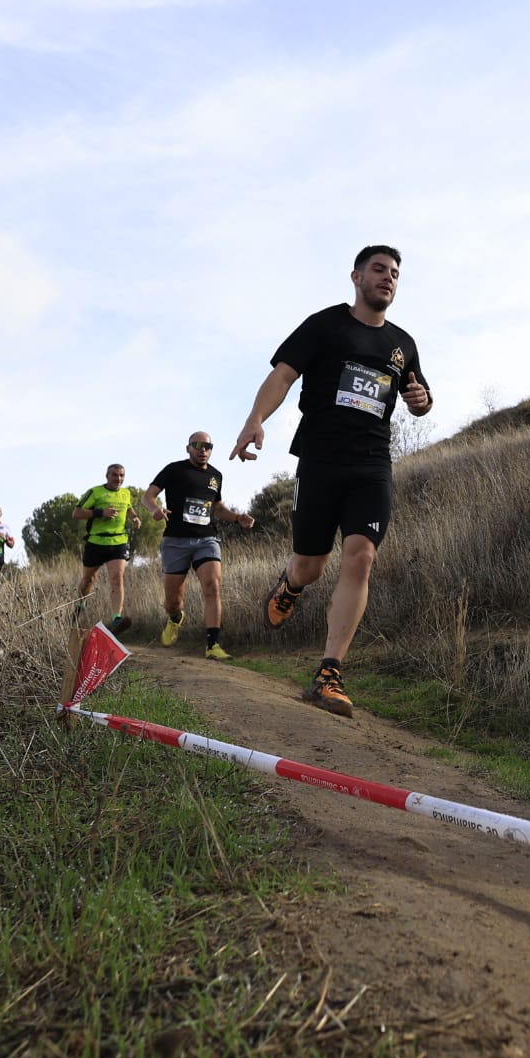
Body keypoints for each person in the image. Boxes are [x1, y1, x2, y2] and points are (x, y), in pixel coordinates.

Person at [235, 245, 432, 717]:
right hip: (321, 461)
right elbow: (282, 376)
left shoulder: (402, 344)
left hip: (372, 467)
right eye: (379, 270)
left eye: (395, 274)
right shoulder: (324, 325)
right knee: (310, 566)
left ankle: (329, 673)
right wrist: (255, 420)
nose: (388, 279)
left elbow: (418, 398)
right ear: (356, 276)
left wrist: (421, 401)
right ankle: (289, 586)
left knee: (361, 556)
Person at [146, 432, 256, 658]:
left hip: (206, 539)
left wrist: (237, 517)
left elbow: (217, 508)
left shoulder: (216, 476)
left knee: (212, 586)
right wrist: (155, 509)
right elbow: (148, 495)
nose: (202, 449)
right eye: (197, 445)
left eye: (207, 446)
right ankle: (176, 618)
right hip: (175, 541)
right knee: (172, 601)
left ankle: (212, 645)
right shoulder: (174, 469)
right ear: (188, 448)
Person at [71, 465, 139, 635]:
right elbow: (76, 513)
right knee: (88, 580)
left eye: (122, 475)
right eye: (115, 475)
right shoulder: (95, 492)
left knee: (117, 577)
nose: (118, 479)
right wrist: (101, 512)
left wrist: (135, 517)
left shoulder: (125, 493)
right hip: (96, 541)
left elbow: (128, 507)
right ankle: (79, 607)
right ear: (107, 476)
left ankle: (117, 618)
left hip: (119, 541)